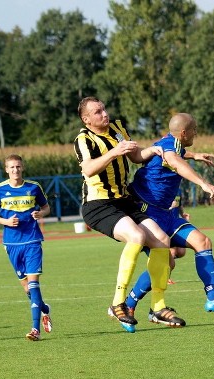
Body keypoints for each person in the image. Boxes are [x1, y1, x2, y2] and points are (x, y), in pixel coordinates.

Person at [74, 96, 183, 333]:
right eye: (97, 112)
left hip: (124, 201)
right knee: (136, 236)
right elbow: (89, 169)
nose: (104, 113)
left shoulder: (117, 128)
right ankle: (117, 303)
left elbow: (135, 156)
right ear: (86, 119)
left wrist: (152, 150)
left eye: (103, 108)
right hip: (98, 205)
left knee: (163, 243)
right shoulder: (84, 139)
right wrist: (114, 152)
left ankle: (158, 307)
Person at [124, 112, 214, 328]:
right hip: (146, 213)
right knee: (166, 264)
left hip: (167, 214)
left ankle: (213, 299)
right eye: (195, 129)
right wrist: (203, 183)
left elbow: (177, 155)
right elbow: (174, 161)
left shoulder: (172, 144)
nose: (196, 133)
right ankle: (129, 305)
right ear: (184, 132)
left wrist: (194, 155)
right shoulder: (170, 147)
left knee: (202, 242)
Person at [0, 154, 53, 341]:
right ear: (6, 170)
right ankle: (44, 309)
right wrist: (5, 221)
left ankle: (35, 329)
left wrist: (41, 213)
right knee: (26, 288)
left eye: (18, 167)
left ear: (23, 168)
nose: (15, 170)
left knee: (33, 283)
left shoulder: (33, 187)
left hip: (32, 240)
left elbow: (47, 207)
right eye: (12, 167)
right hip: (11, 243)